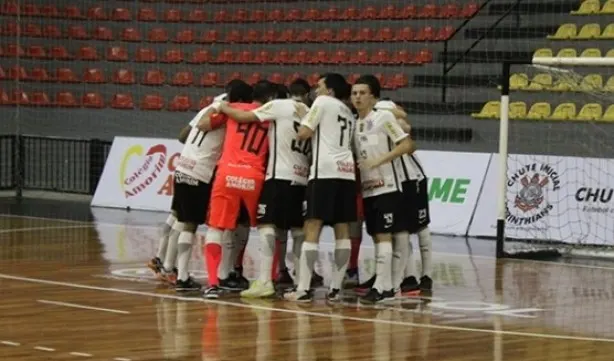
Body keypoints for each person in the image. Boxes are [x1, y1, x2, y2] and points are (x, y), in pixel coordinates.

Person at [215, 83, 311, 298]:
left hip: (279, 176)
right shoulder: (308, 112)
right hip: (302, 177)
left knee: (266, 224)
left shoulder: (279, 106)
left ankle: (265, 280)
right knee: (297, 230)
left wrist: (223, 107)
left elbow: (243, 117)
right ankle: (302, 283)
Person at [200, 80, 278, 299]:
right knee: (266, 226)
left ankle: (213, 283)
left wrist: (219, 106)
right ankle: (268, 279)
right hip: (255, 176)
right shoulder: (271, 113)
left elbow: (203, 124)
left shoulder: (234, 109)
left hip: (227, 174)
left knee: (215, 228)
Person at [284, 73, 357, 302]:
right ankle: (336, 288)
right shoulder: (349, 112)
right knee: (342, 228)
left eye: (320, 86)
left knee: (312, 225)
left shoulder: (322, 102)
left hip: (324, 171)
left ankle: (303, 289)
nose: (316, 90)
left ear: (330, 91)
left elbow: (304, 133)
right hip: (347, 172)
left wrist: (303, 117)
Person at [147, 89, 229, 284]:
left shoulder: (206, 110)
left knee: (176, 215)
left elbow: (183, 136)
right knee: (187, 223)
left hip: (183, 165)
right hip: (200, 170)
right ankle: (174, 271)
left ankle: (163, 261)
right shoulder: (226, 117)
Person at [351, 75, 416, 303]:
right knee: (378, 237)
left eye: (362, 93)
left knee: (385, 236)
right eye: (354, 93)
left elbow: (408, 144)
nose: (357, 97)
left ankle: (383, 286)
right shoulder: (354, 122)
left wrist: (379, 161)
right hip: (368, 188)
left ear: (373, 97)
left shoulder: (383, 117)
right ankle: (386, 285)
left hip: (388, 186)